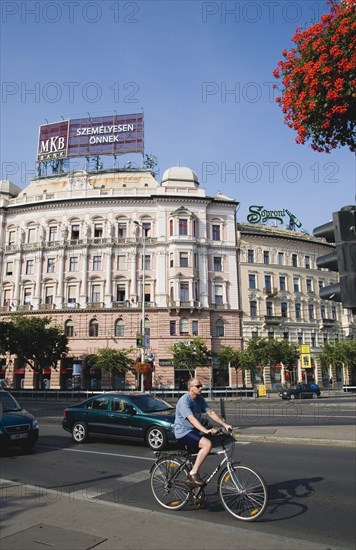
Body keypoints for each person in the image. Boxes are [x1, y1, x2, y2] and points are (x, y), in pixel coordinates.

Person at [174, 377, 232, 486]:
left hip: (193, 431)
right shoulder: (184, 401)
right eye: (198, 386)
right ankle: (193, 473)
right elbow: (192, 419)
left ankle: (194, 490)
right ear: (191, 388)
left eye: (201, 386)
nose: (201, 388)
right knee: (207, 444)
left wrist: (225, 425)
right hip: (183, 431)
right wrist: (206, 430)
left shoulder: (199, 399)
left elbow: (210, 412)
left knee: (196, 459)